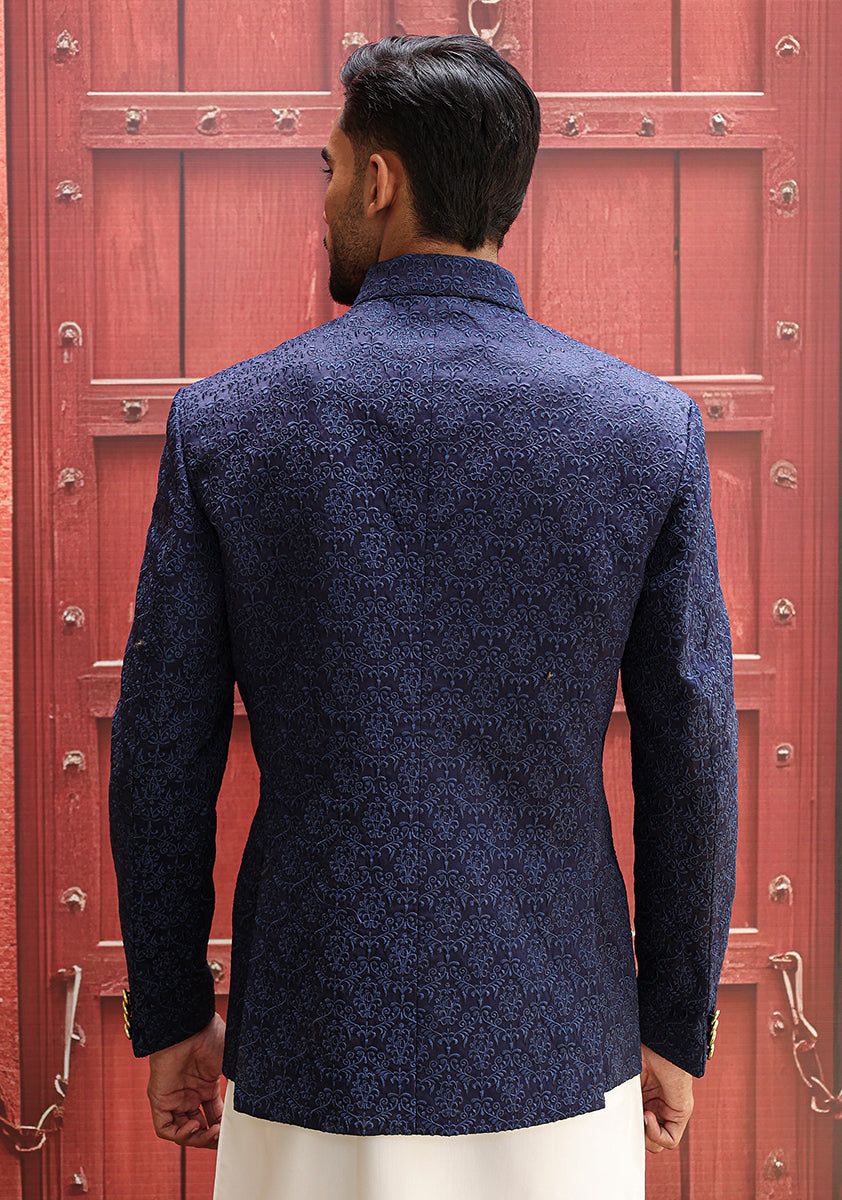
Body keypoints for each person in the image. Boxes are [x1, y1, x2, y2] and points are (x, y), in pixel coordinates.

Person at [109, 34, 738, 1200]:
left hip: (312, 1039)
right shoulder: (644, 430)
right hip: (560, 1043)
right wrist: (672, 1024)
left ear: (380, 181)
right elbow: (690, 758)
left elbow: (161, 755)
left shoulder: (229, 427)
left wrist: (173, 1010)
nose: (325, 198)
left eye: (329, 168)